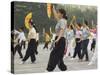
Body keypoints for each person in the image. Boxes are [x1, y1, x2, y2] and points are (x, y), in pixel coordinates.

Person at [46, 6, 67, 72]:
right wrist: (53, 8)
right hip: (59, 39)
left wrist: (58, 39)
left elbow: (62, 30)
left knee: (53, 54)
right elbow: (55, 16)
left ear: (62, 14)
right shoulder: (60, 21)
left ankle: (49, 69)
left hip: (60, 39)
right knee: (59, 56)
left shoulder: (63, 21)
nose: (57, 13)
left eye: (58, 13)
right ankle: (63, 68)